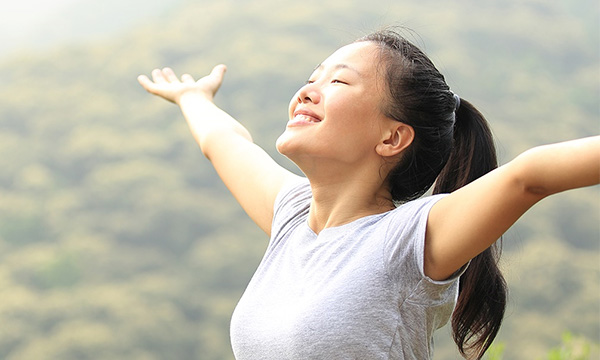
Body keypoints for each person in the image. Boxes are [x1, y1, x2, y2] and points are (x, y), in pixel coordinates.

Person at [138, 30, 599, 360]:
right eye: (312, 78)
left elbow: (530, 176)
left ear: (393, 138)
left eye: (337, 82)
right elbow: (225, 143)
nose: (306, 92)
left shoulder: (409, 239)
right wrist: (192, 97)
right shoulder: (292, 217)